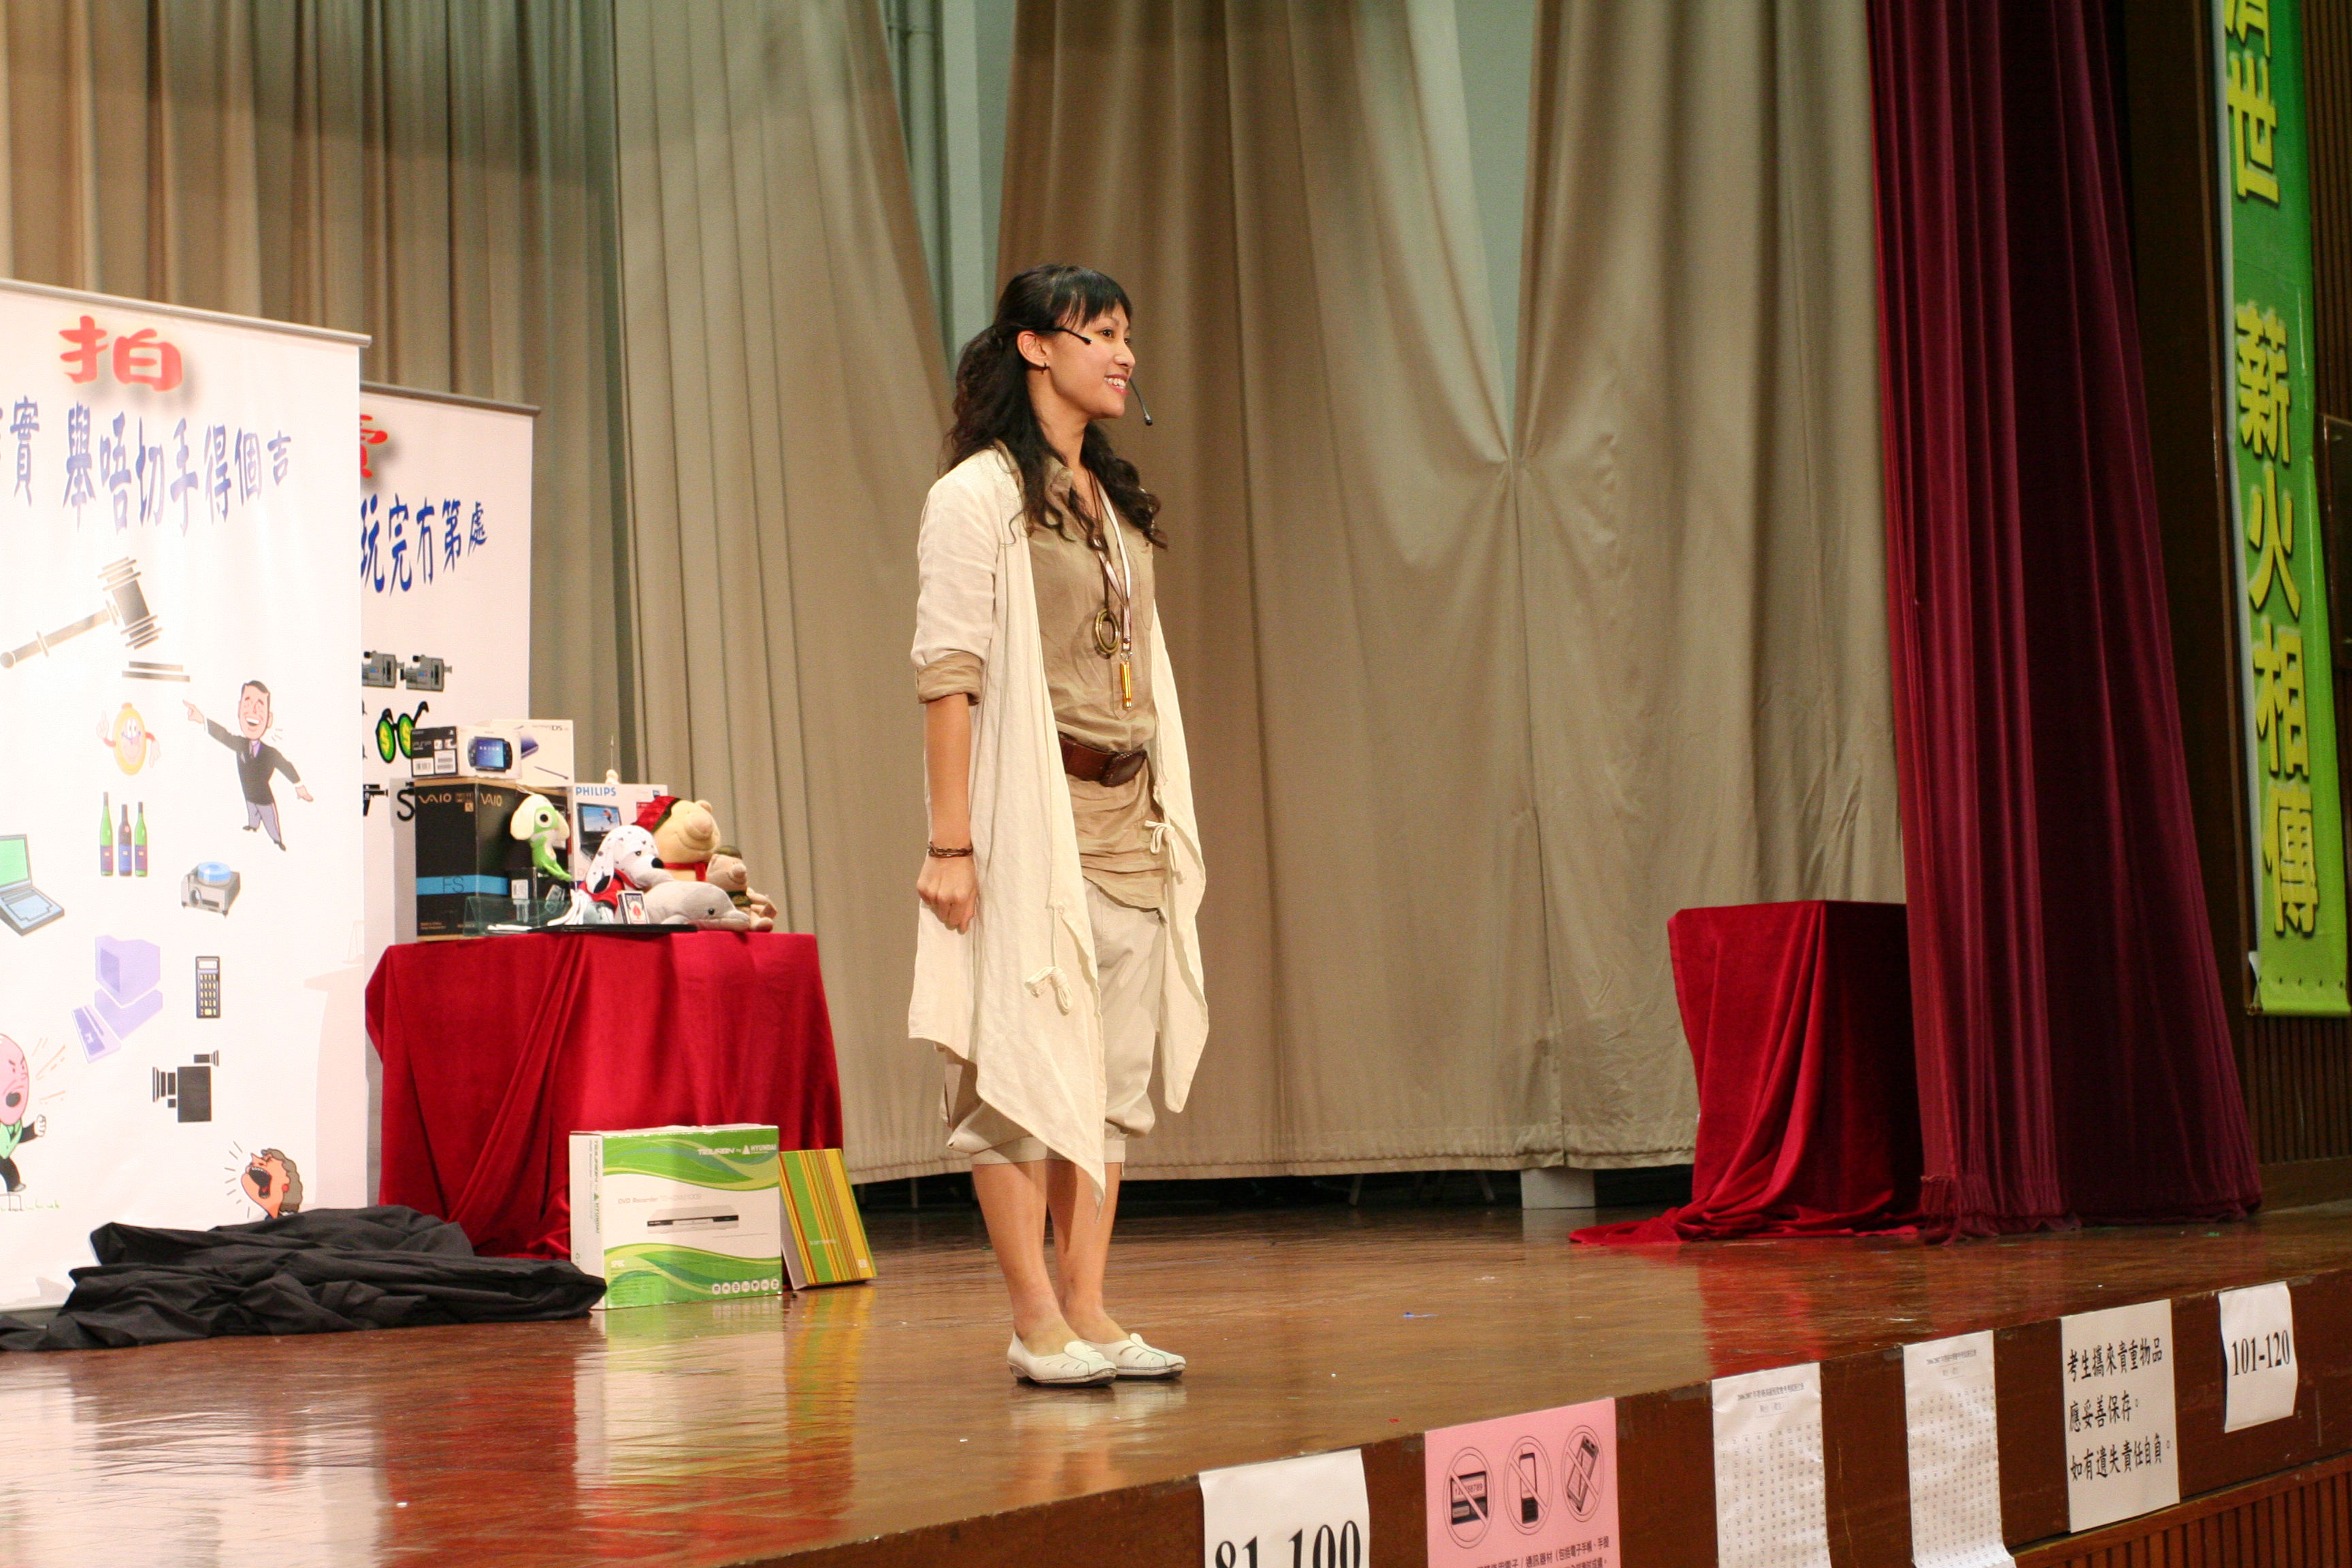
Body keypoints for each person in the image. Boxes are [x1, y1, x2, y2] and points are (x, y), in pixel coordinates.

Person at [909, 263, 1209, 1387]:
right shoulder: (977, 496)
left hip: (1128, 815)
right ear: (1036, 346)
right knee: (1015, 1071)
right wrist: (951, 845)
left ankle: (1088, 1304)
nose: (1124, 354)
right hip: (1030, 821)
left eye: (1128, 334)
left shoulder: (1109, 498)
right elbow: (949, 672)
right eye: (1100, 333)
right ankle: (1034, 1317)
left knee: (1108, 1081)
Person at [184, 681, 312, 849]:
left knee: (270, 819)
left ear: (269, 719)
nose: (253, 711)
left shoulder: (270, 753)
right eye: (248, 703)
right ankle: (253, 826)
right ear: (239, 710)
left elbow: (286, 766)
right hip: (249, 794)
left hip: (265, 798)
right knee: (252, 812)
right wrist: (202, 720)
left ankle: (277, 840)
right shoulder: (240, 744)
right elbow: (224, 735)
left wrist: (299, 785)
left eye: (260, 706)